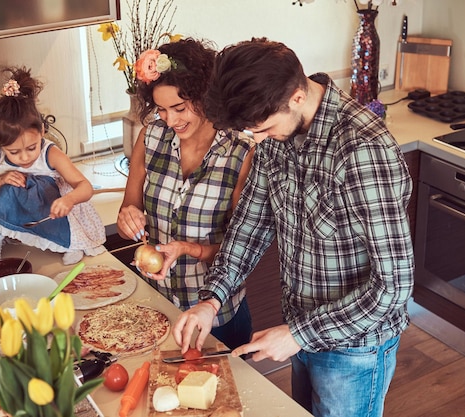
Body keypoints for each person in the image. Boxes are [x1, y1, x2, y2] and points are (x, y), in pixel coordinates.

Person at [172, 38, 415, 417]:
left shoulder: (362, 149)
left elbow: (394, 286)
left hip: (354, 349)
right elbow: (251, 222)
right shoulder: (275, 130)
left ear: (298, 97)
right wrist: (211, 300)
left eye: (265, 129)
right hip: (300, 326)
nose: (260, 140)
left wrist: (299, 335)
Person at [115, 38, 254, 350]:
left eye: (179, 108)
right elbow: (129, 209)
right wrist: (127, 219)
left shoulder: (240, 153)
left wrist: (189, 249)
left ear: (205, 94)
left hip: (216, 317)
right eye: (161, 109)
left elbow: (243, 249)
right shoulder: (150, 138)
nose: (171, 120)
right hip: (158, 309)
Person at [0, 67, 106, 265]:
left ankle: (71, 245)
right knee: (7, 191)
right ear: (1, 144)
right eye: (13, 152)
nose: (23, 158)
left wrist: (70, 200)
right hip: (20, 211)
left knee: (54, 207)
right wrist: (0, 180)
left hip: (49, 210)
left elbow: (85, 187)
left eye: (31, 148)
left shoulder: (51, 154)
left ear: (41, 130)